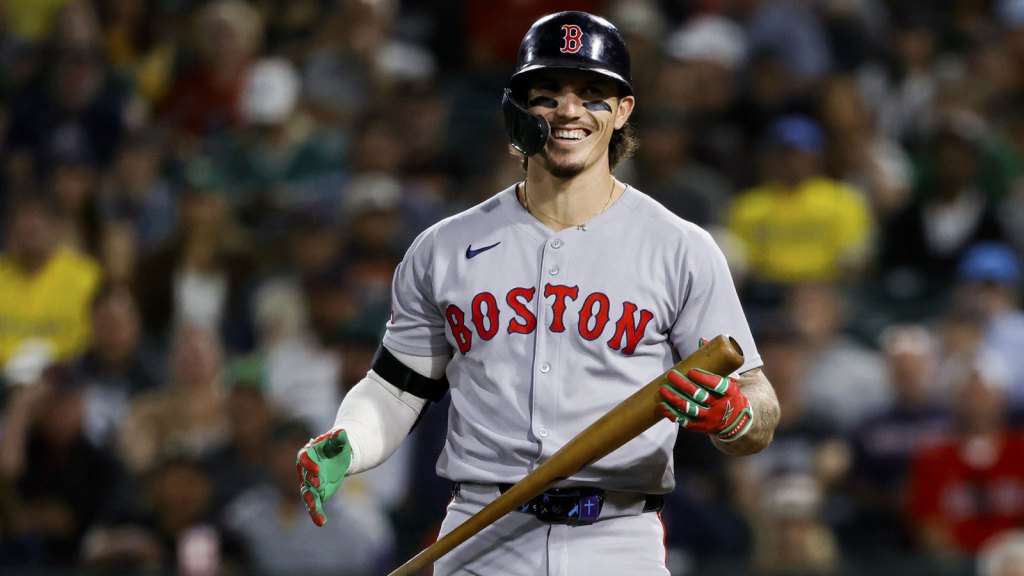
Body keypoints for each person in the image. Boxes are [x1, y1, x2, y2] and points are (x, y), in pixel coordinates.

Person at [295, 12, 780, 575]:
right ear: (516, 112)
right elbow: (397, 391)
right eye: (546, 94)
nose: (569, 110)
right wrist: (349, 441)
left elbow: (758, 400)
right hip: (481, 533)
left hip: (618, 539)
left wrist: (736, 417)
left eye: (592, 93)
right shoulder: (443, 248)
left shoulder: (680, 247)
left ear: (623, 110)